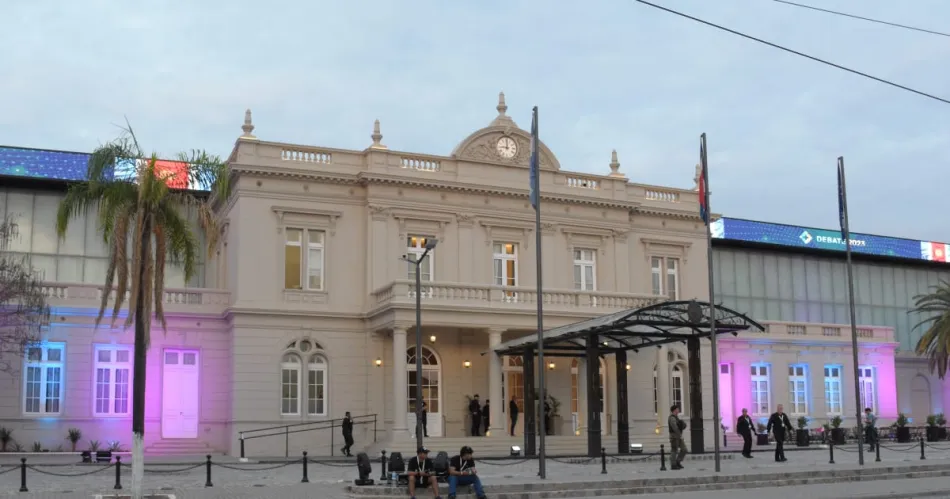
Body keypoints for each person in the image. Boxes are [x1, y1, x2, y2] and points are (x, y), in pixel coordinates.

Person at [667, 405, 687, 470]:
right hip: (674, 436)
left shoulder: (677, 418)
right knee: (674, 450)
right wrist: (679, 434)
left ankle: (678, 461)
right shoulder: (672, 418)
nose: (678, 410)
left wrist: (683, 424)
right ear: (675, 410)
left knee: (684, 449)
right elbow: (674, 427)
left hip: (678, 436)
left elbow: (681, 426)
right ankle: (673, 465)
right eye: (677, 409)